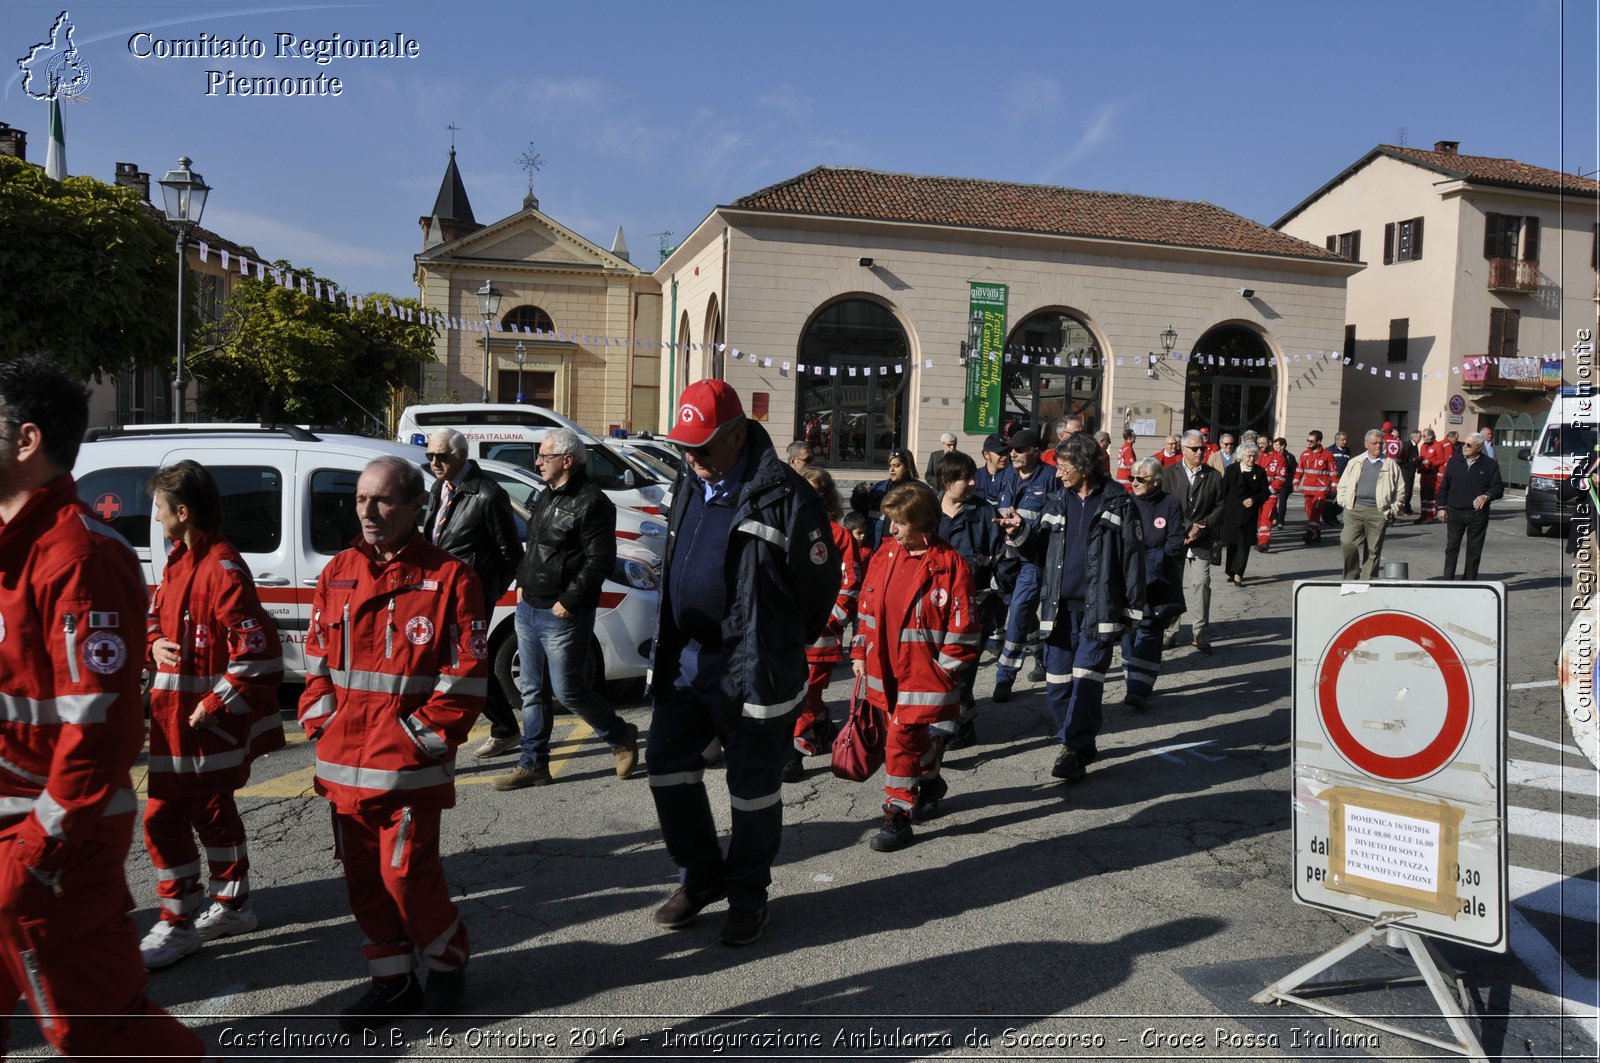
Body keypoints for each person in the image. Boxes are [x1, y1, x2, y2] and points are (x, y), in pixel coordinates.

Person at [0, 356, 206, 1059]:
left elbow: (98, 734)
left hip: (46, 850)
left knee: (108, 1039)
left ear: (25, 440)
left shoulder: (78, 553)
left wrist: (35, 856)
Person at [647, 380, 839, 947]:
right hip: (688, 659)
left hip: (752, 664)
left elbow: (818, 590)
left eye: (702, 447)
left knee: (751, 789)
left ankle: (748, 896)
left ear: (736, 436)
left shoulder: (787, 496)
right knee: (666, 766)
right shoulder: (689, 479)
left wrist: (773, 641)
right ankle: (701, 876)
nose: (691, 458)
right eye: (684, 446)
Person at [300, 455, 485, 1028]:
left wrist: (417, 740)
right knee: (362, 882)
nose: (368, 511)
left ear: (413, 507)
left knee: (407, 877)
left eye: (382, 501)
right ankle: (392, 985)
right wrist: (319, 719)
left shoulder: (452, 578)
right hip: (342, 765)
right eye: (360, 500)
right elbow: (315, 659)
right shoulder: (338, 572)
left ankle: (447, 962)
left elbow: (467, 676)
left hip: (406, 767)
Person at [138, 460, 286, 970]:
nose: (155, 518)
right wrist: (153, 643)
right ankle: (233, 904)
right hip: (176, 723)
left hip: (200, 724)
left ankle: (178, 922)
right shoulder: (180, 561)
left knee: (165, 820)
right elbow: (154, 616)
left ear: (183, 511)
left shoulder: (222, 568)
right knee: (210, 811)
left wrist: (214, 703)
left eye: (160, 508)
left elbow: (260, 653)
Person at [493, 428, 639, 790]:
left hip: (563, 613)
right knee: (532, 690)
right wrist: (524, 584)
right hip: (529, 607)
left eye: (545, 456)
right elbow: (538, 547)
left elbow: (599, 561)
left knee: (569, 690)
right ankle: (533, 764)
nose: (538, 461)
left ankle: (620, 734)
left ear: (567, 461)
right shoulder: (546, 495)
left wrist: (568, 602)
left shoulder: (592, 502)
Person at [1000, 433, 1145, 784]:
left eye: (1064, 467)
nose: (1059, 473)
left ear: (1083, 467)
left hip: (1100, 609)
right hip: (1058, 610)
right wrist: (1018, 532)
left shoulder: (1119, 503)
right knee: (1058, 684)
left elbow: (1132, 560)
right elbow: (1038, 552)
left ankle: (1073, 748)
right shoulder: (1055, 502)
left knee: (1086, 682)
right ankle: (1079, 742)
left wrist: (1133, 611)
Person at [852, 484, 979, 850]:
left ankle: (898, 813)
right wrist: (860, 650)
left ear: (922, 523)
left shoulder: (950, 565)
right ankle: (931, 778)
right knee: (907, 735)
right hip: (883, 667)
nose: (891, 530)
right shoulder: (884, 555)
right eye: (890, 520)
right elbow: (866, 608)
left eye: (899, 522)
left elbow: (965, 625)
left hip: (924, 675)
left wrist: (945, 670)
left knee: (899, 739)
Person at [421, 429, 524, 760]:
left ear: (461, 456)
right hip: (438, 594)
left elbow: (510, 555)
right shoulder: (441, 488)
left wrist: (485, 595)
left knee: (468, 665)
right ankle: (504, 729)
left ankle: (501, 730)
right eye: (430, 456)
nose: (434, 462)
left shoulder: (488, 494)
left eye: (441, 456)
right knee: (446, 665)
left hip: (471, 599)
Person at [785, 467, 861, 782]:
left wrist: (828, 623)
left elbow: (851, 586)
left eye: (814, 491)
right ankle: (820, 726)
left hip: (820, 636)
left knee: (806, 694)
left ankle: (794, 753)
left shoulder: (838, 535)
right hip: (785, 633)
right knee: (793, 693)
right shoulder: (785, 529)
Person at [934, 450, 1005, 749]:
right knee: (935, 670)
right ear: (947, 481)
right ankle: (938, 724)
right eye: (967, 478)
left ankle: (963, 726)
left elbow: (1003, 559)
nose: (975, 483)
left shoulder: (986, 514)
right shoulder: (926, 511)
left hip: (973, 607)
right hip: (931, 609)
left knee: (962, 671)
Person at [993, 427, 1060, 699]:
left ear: (1035, 451)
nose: (1013, 454)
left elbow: (1053, 523)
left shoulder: (1051, 478)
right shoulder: (1007, 474)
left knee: (1020, 610)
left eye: (1019, 450)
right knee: (1021, 611)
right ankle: (1041, 656)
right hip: (1008, 561)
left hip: (1036, 559)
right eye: (1011, 449)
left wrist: (1023, 530)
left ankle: (1004, 678)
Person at [1122, 459, 1185, 708]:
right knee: (1129, 630)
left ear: (1156, 481)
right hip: (1129, 578)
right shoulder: (1127, 504)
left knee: (1149, 630)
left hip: (1157, 580)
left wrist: (1151, 562)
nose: (1135, 483)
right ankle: (1132, 680)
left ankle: (1139, 690)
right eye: (1132, 478)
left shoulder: (1170, 504)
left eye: (1141, 479)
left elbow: (1174, 541)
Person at [1160, 430, 1224, 653]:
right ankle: (1170, 632)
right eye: (1195, 448)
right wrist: (1189, 526)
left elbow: (1220, 506)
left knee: (1201, 584)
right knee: (1172, 584)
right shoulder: (1168, 474)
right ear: (1183, 449)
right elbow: (1165, 504)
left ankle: (1200, 632)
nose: (1200, 452)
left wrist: (1202, 525)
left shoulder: (1213, 476)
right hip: (1175, 538)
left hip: (1202, 540)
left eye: (1202, 449)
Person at [1335, 429, 1404, 580]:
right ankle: (1351, 577)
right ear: (1366, 444)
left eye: (1380, 443)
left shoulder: (1390, 465)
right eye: (1374, 443)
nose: (1378, 446)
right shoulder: (1355, 462)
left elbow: (1400, 489)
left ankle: (1369, 582)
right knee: (1347, 543)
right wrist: (1343, 502)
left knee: (1373, 550)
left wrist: (1393, 508)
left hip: (1378, 511)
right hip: (1354, 508)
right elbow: (1343, 484)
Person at [1438, 433, 1505, 580]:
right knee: (1451, 548)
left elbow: (1498, 488)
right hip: (1455, 512)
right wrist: (1441, 507)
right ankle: (1447, 581)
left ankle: (1469, 582)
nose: (1464, 447)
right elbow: (1445, 486)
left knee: (1474, 551)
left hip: (1477, 514)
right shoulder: (1455, 461)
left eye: (1469, 445)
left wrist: (1486, 495)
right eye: (1464, 444)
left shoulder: (1489, 464)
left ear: (1479, 448)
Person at [1217, 441, 1271, 587]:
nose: (1251, 459)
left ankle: (1238, 573)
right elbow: (1223, 491)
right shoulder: (1231, 470)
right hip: (1231, 513)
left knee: (1244, 544)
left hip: (1249, 514)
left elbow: (1265, 492)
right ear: (1241, 456)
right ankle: (1230, 571)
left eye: (1254, 456)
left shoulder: (1260, 472)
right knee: (1232, 544)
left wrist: (1254, 499)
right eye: (1249, 456)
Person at [850, 447, 919, 549]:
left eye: (896, 466)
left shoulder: (920, 491)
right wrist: (858, 495)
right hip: (879, 547)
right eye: (890, 466)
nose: (891, 469)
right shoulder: (879, 489)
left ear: (908, 466)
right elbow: (861, 509)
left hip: (907, 546)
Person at [1294, 431, 1337, 543]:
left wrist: (1334, 488)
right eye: (1307, 440)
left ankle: (1310, 532)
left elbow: (1333, 473)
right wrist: (1296, 483)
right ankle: (1316, 534)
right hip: (1308, 490)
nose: (1308, 443)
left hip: (1321, 491)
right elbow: (1299, 471)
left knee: (1315, 512)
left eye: (1311, 441)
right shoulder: (1304, 454)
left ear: (1318, 441)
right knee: (1310, 513)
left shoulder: (1327, 455)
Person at [1256, 435, 1287, 552]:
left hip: (1270, 494)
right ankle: (1259, 539)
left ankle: (1264, 542)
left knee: (1266, 517)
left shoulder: (1279, 458)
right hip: (1256, 493)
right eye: (1259, 443)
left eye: (1263, 443)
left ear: (1269, 442)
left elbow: (1281, 477)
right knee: (1258, 518)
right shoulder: (1256, 455)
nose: (1260, 445)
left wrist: (1269, 490)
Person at [1416, 427, 1452, 525]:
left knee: (1430, 497)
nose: (1422, 437)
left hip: (1432, 475)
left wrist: (1431, 462)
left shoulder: (1437, 446)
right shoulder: (1423, 446)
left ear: (1430, 436)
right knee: (1423, 496)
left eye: (1424, 435)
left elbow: (1442, 460)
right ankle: (1423, 515)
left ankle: (1429, 517)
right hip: (1423, 474)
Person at [1324, 431, 1352, 527]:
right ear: (1337, 440)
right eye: (1342, 440)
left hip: (1344, 480)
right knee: (1330, 500)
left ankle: (1333, 516)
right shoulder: (1329, 451)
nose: (1345, 442)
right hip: (1332, 480)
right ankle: (1329, 519)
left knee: (1341, 500)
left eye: (1346, 440)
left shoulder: (1347, 450)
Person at [975, 433, 1011, 505]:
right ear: (986, 454)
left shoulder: (1014, 476)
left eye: (1006, 453)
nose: (1005, 457)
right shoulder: (974, 477)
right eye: (1000, 453)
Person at [1272, 437, 1297, 528]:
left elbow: (1295, 471)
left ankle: (1281, 521)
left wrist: (1293, 483)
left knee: (1282, 501)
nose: (1275, 447)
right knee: (1272, 500)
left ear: (1283, 446)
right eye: (1274, 445)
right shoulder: (1273, 456)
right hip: (1275, 482)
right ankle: (1275, 517)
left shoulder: (1289, 457)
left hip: (1286, 484)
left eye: (1277, 445)